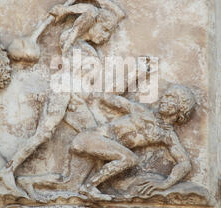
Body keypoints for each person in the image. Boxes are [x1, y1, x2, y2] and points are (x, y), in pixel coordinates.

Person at [0, 0, 125, 198]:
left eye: (109, 33)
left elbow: (118, 13)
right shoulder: (71, 39)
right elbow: (91, 12)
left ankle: (82, 186)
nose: (106, 36)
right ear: (92, 24)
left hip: (76, 100)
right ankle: (7, 171)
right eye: (104, 30)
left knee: (95, 138)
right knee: (44, 133)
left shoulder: (90, 49)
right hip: (63, 92)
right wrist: (67, 10)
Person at [68, 84, 196, 201]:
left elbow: (185, 163)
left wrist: (165, 184)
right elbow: (107, 98)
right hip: (89, 138)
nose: (164, 100)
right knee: (130, 159)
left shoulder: (167, 135)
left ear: (182, 107)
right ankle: (89, 187)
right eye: (165, 96)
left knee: (129, 159)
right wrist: (134, 75)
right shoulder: (140, 110)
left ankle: (89, 187)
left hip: (103, 148)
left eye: (171, 98)